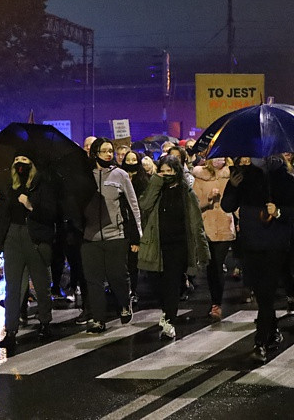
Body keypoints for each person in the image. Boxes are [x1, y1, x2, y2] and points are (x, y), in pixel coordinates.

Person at [221, 155, 294, 362]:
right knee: (261, 292)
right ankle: (273, 332)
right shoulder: (245, 178)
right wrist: (232, 185)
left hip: (276, 244)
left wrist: (279, 212)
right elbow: (227, 205)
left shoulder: (285, 179)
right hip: (251, 243)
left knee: (266, 292)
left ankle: (260, 341)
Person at [139, 155, 210, 339]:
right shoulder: (157, 190)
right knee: (156, 281)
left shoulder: (186, 192)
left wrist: (202, 249)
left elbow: (196, 223)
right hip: (157, 243)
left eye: (168, 172)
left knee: (171, 282)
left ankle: (169, 319)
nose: (165, 175)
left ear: (176, 172)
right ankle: (166, 310)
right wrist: (156, 182)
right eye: (161, 171)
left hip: (178, 245)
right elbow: (144, 205)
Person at [0, 151, 57, 349]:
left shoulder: (42, 184)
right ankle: (10, 330)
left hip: (35, 237)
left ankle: (45, 323)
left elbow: (51, 213)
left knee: (41, 284)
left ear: (33, 163)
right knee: (12, 287)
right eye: (17, 160)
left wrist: (30, 205)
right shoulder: (8, 185)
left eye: (25, 160)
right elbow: (2, 217)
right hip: (13, 237)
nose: (20, 163)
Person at [82, 137, 141, 333]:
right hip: (90, 237)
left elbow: (133, 206)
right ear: (95, 154)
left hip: (116, 234)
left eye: (110, 151)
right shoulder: (84, 176)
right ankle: (98, 319)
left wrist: (136, 235)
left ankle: (124, 304)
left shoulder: (120, 175)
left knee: (117, 275)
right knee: (94, 280)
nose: (109, 154)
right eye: (104, 151)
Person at [192, 157, 235, 321]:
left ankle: (217, 303)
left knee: (217, 263)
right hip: (207, 225)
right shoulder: (200, 176)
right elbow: (194, 202)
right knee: (211, 266)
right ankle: (214, 301)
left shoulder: (230, 175)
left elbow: (236, 200)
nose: (219, 160)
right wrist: (208, 198)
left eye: (222, 156)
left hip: (225, 224)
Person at [121, 150, 151, 304]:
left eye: (134, 160)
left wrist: (137, 238)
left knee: (133, 264)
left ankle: (133, 290)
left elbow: (141, 210)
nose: (131, 162)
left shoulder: (143, 181)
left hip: (135, 226)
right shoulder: (119, 177)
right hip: (120, 226)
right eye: (128, 159)